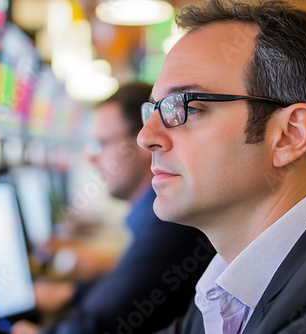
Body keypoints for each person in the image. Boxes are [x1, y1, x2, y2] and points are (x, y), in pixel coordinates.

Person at [137, 1, 306, 333]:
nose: (146, 137)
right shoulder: (235, 280)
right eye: (154, 109)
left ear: (289, 135)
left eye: (187, 106)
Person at [11, 82, 215, 334]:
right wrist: (71, 291)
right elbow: (127, 287)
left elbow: (101, 325)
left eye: (100, 143)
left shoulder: (170, 220)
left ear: (141, 143)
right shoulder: (153, 216)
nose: (90, 158)